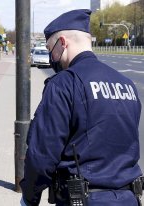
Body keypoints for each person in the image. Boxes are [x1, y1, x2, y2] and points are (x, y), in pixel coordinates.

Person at [20, 9, 142, 206]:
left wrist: (29, 197)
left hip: (84, 199)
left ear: (62, 42)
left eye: (51, 50)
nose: (52, 58)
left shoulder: (64, 84)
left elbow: (42, 154)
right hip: (129, 198)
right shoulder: (126, 84)